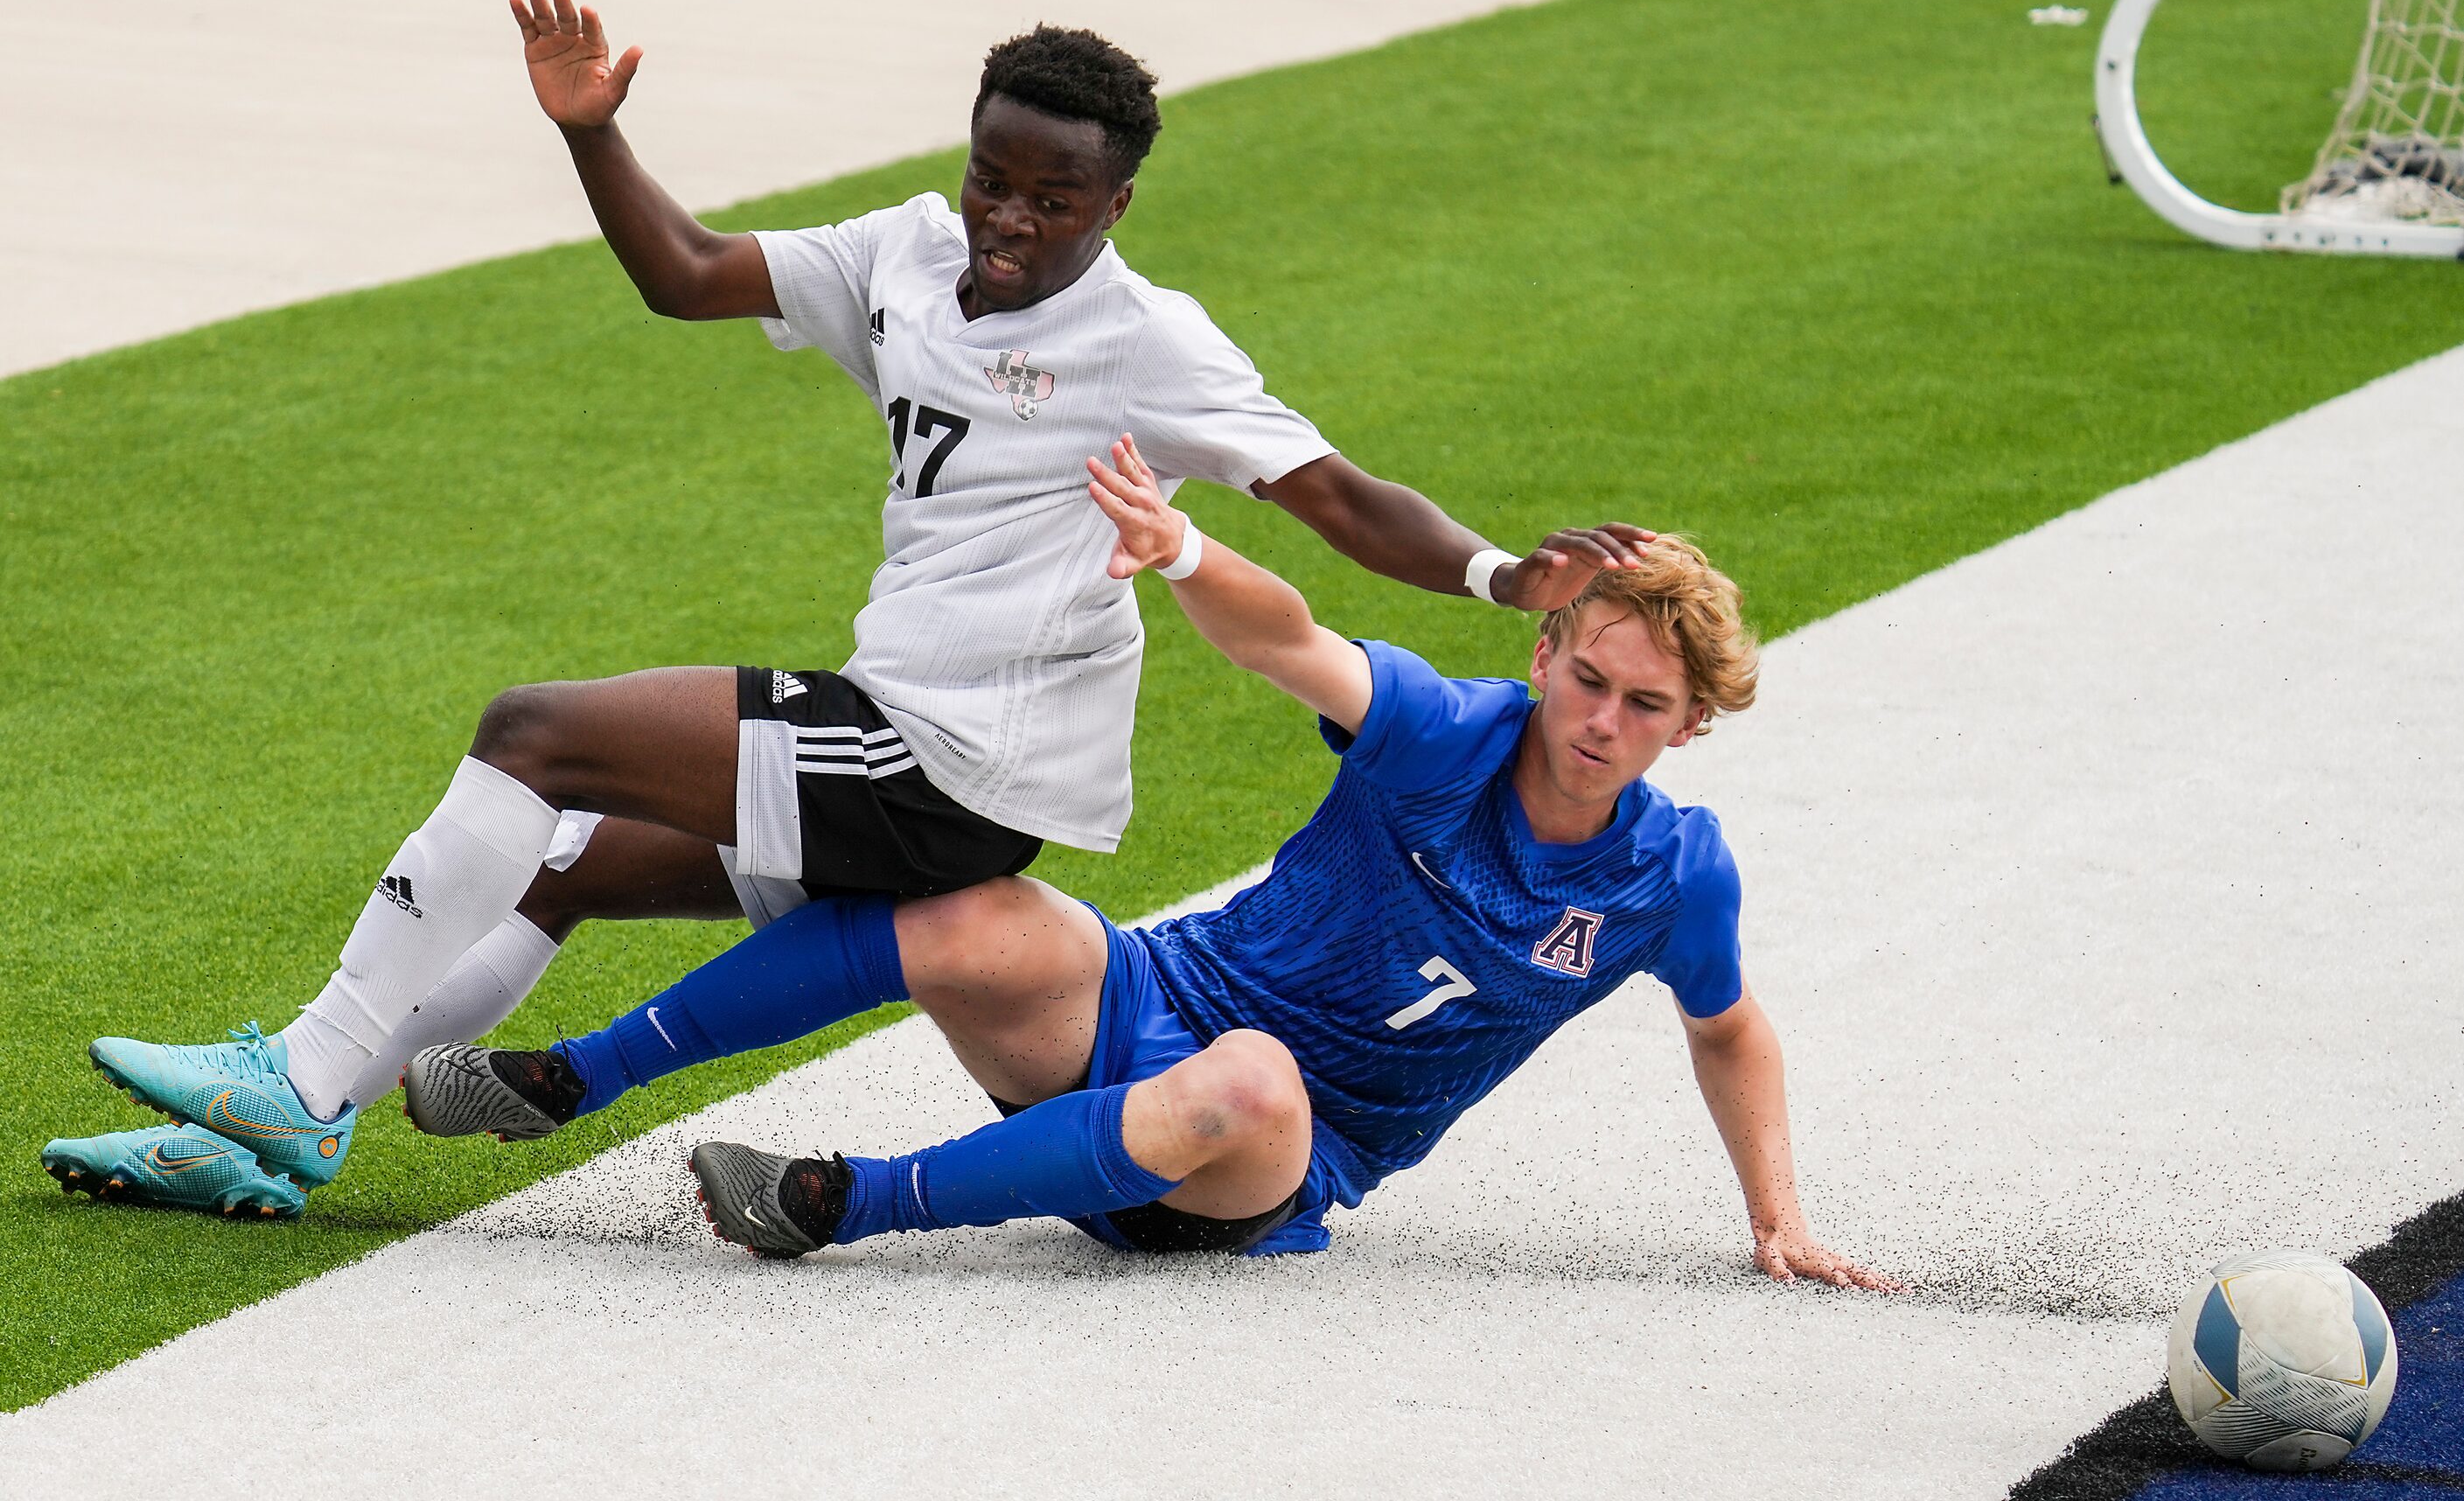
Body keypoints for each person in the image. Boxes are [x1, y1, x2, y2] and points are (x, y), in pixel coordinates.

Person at [44, 0, 1652, 1217]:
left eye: (1056, 203)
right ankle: (272, 1147)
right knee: (564, 862)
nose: (1011, 226)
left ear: (1116, 208)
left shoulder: (1149, 340)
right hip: (892, 725)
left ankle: (303, 1078)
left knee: (535, 735)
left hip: (957, 763)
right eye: (993, 180)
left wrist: (1501, 570)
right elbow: (683, 274)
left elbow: (1335, 493)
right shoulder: (902, 249)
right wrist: (589, 128)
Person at [400, 438, 1893, 1288]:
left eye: (1643, 706)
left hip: (1262, 1153)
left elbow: (1728, 1025)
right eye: (1588, 679)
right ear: (1545, 648)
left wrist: (1775, 1213)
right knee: (974, 905)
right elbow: (1294, 640)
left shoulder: (1670, 875)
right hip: (1148, 1000)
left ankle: (843, 1201)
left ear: (1690, 724)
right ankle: (567, 1079)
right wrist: (1181, 553)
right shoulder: (1452, 731)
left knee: (1252, 1076)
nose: (1599, 723)